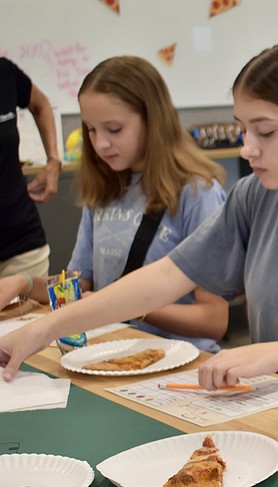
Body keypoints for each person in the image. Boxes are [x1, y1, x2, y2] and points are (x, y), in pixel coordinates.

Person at [1, 42, 278, 399]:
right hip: (272, 408)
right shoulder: (255, 196)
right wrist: (43, 329)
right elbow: (164, 278)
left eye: (265, 132)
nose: (248, 148)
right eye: (241, 129)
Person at [0, 56, 228, 352]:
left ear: (153, 120)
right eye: (91, 130)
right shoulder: (105, 188)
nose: (101, 143)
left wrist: (126, 306)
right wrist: (25, 284)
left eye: (114, 129)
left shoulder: (199, 194)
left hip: (182, 360)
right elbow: (79, 287)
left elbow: (213, 319)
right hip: (112, 352)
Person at [0, 58, 62, 280]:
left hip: (21, 244)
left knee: (34, 315)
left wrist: (53, 161)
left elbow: (41, 105)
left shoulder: (4, 73)